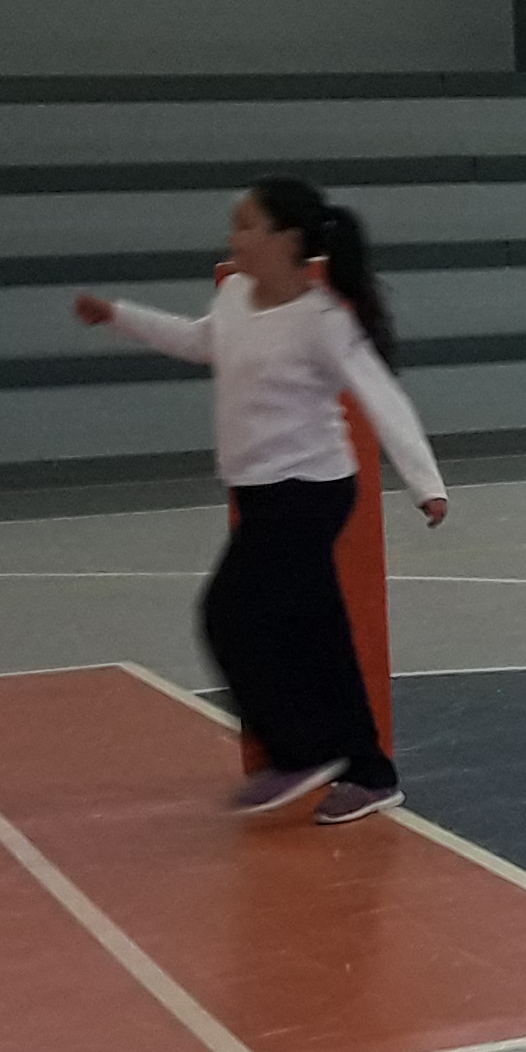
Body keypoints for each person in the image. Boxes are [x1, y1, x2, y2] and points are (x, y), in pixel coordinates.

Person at [75, 176, 447, 825]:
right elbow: (201, 340)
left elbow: (382, 397)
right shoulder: (234, 299)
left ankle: (299, 753)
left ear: (287, 239)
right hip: (261, 492)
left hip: (310, 492)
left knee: (229, 615)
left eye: (247, 224)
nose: (234, 236)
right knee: (319, 636)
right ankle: (370, 773)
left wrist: (427, 483)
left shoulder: (323, 321)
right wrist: (120, 316)